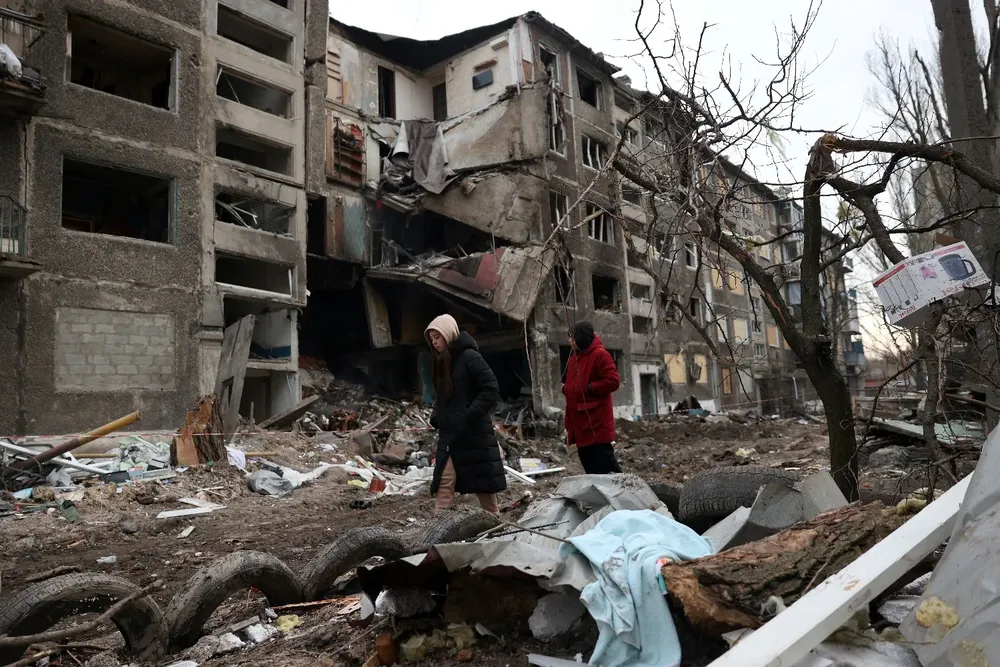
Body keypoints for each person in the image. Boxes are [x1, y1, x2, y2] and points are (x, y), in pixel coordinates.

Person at [424, 314, 507, 514]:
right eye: (432, 338)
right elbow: (444, 396)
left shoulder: (470, 357)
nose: (434, 342)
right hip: (450, 434)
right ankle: (439, 533)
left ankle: (494, 527)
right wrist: (437, 416)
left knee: (483, 486)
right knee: (444, 481)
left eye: (437, 337)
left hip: (474, 433)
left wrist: (468, 415)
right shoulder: (443, 361)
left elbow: (490, 389)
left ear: (448, 334)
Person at [563, 320, 623, 474]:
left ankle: (626, 495)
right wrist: (566, 389)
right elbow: (574, 387)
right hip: (579, 424)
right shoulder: (573, 361)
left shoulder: (600, 355)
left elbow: (613, 381)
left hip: (595, 423)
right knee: (591, 470)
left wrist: (590, 388)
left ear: (580, 338)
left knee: (608, 469)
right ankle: (600, 498)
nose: (569, 340)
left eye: (572, 337)